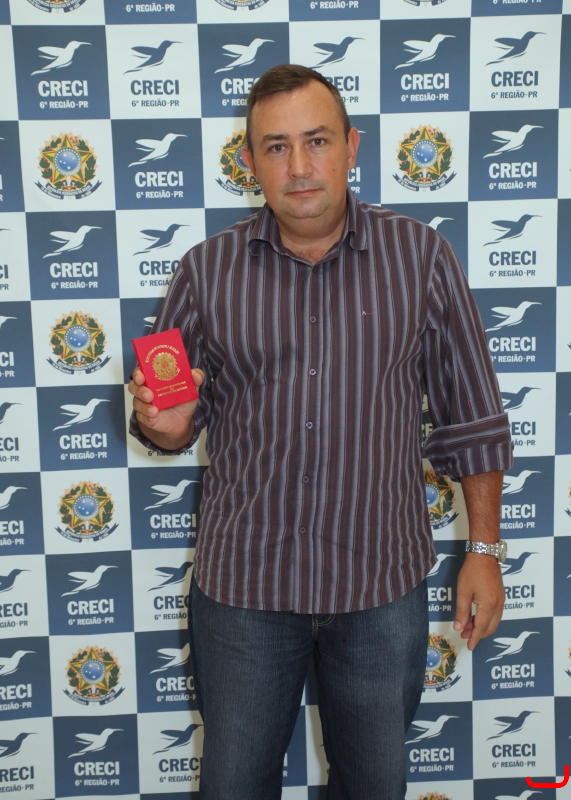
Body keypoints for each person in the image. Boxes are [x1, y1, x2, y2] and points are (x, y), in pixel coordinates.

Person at [129, 64, 512, 800]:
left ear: (351, 146)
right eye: (275, 147)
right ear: (249, 161)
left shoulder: (422, 258)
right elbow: (170, 424)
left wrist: (484, 552)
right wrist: (166, 426)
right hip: (243, 592)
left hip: (380, 588)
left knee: (373, 787)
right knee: (233, 787)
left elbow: (472, 416)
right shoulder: (204, 272)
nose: (298, 167)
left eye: (316, 141)